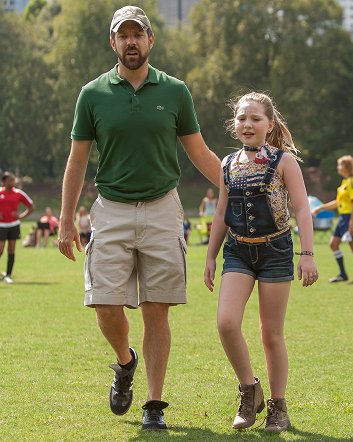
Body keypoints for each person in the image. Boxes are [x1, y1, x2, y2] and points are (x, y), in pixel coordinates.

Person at [57, 6, 221, 432]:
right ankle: (125, 361)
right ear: (113, 43)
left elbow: (198, 151)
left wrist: (236, 185)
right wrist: (65, 218)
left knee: (155, 309)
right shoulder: (92, 94)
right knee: (105, 305)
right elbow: (77, 161)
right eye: (123, 35)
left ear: (151, 41)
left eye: (138, 34)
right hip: (109, 208)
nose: (131, 41)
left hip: (162, 207)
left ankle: (154, 404)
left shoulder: (175, 91)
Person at [204, 91, 317, 433]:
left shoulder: (284, 162)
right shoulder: (227, 164)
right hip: (237, 251)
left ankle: (278, 407)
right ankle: (249, 389)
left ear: (269, 124)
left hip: (276, 251)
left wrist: (307, 255)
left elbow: (301, 209)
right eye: (241, 118)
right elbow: (222, 212)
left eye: (255, 118)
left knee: (271, 334)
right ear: (233, 124)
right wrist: (210, 255)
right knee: (226, 323)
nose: (248, 124)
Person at [312, 155, 353, 284]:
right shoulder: (345, 182)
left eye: (340, 165)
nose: (338, 167)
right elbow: (338, 202)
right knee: (333, 244)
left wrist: (351, 223)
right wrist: (321, 208)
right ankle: (343, 274)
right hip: (343, 218)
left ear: (347, 167)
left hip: (351, 217)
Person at [0, 171, 35, 283]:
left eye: (13, 179)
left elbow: (31, 206)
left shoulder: (18, 193)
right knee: (0, 250)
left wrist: (20, 216)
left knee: (11, 249)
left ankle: (8, 275)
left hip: (14, 225)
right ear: (4, 181)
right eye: (10, 180)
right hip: (1, 226)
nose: (13, 182)